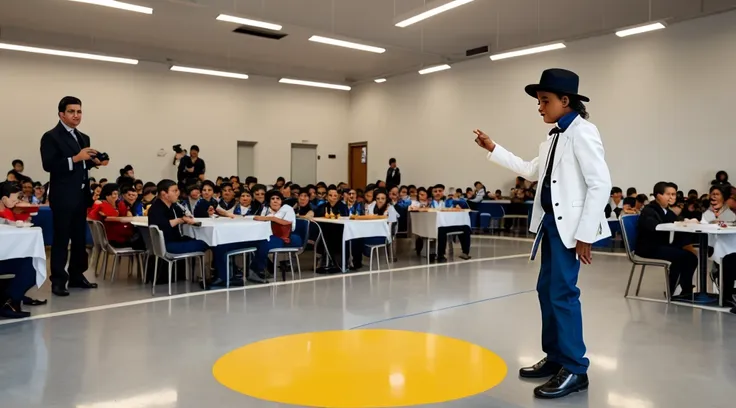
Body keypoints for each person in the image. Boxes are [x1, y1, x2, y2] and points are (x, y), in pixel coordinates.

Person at [475, 69, 611, 399]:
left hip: (570, 229)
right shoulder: (554, 136)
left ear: (566, 101)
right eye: (539, 101)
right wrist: (493, 147)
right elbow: (531, 169)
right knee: (545, 290)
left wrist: (585, 234)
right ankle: (555, 358)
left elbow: (600, 184)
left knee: (562, 293)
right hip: (550, 224)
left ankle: (576, 368)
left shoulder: (584, 132)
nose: (540, 107)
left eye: (544, 101)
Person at [40, 96, 109, 297]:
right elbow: (50, 165)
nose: (76, 115)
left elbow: (81, 165)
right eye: (71, 111)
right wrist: (77, 158)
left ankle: (77, 275)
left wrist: (95, 162)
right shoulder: (51, 136)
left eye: (79, 111)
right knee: (62, 239)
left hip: (81, 195)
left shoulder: (83, 137)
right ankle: (58, 280)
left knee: (79, 239)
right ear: (61, 114)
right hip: (63, 196)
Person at [636, 182, 697, 300]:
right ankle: (673, 290)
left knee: (691, 257)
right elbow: (654, 226)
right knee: (682, 256)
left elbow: (676, 221)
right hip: (648, 248)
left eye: (674, 194)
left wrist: (687, 221)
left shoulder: (667, 211)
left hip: (661, 245)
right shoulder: (649, 210)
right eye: (668, 194)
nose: (672, 197)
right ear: (658, 195)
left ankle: (685, 289)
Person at [248, 190, 301, 283]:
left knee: (265, 243)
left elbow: (287, 223)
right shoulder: (266, 209)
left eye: (278, 199)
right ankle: (259, 269)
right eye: (273, 199)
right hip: (270, 235)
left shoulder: (286, 208)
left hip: (288, 237)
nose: (275, 201)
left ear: (281, 201)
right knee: (256, 242)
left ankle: (256, 271)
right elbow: (259, 221)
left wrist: (270, 218)